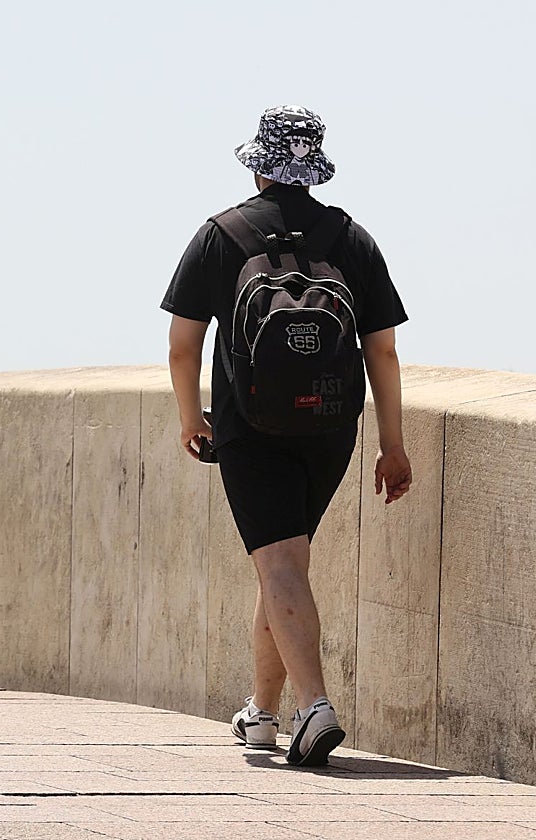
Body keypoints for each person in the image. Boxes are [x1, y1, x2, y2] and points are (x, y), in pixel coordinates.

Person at [161, 105, 412, 766]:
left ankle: (315, 708)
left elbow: (184, 347)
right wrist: (392, 443)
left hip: (251, 425)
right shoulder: (351, 238)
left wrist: (193, 418)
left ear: (259, 164)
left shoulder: (222, 234)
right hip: (332, 427)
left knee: (278, 564)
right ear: (313, 167)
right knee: (284, 566)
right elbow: (381, 352)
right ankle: (263, 713)